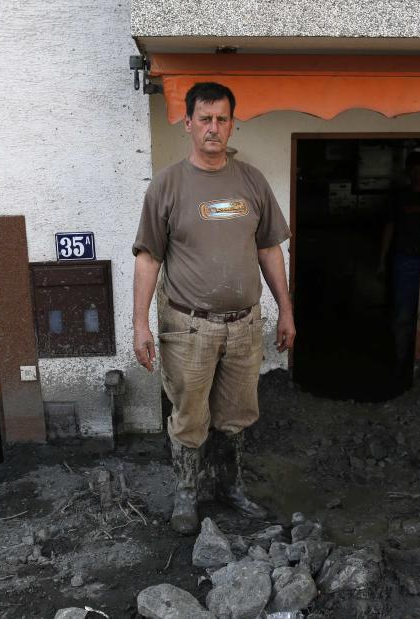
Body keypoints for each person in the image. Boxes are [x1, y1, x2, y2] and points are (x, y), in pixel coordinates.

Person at [132, 82, 295, 535]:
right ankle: (187, 493)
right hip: (188, 326)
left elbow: (269, 250)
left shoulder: (251, 182)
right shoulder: (167, 185)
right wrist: (140, 325)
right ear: (187, 124)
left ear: (232, 123)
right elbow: (148, 258)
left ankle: (230, 486)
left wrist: (286, 309)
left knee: (237, 412)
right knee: (189, 414)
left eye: (222, 119)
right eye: (204, 119)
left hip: (244, 326)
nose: (213, 128)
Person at [378, 150, 420, 368]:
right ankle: (401, 359)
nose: (419, 175)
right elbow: (389, 227)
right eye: (415, 170)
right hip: (405, 260)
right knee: (403, 312)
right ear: (409, 173)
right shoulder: (401, 197)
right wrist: (382, 259)